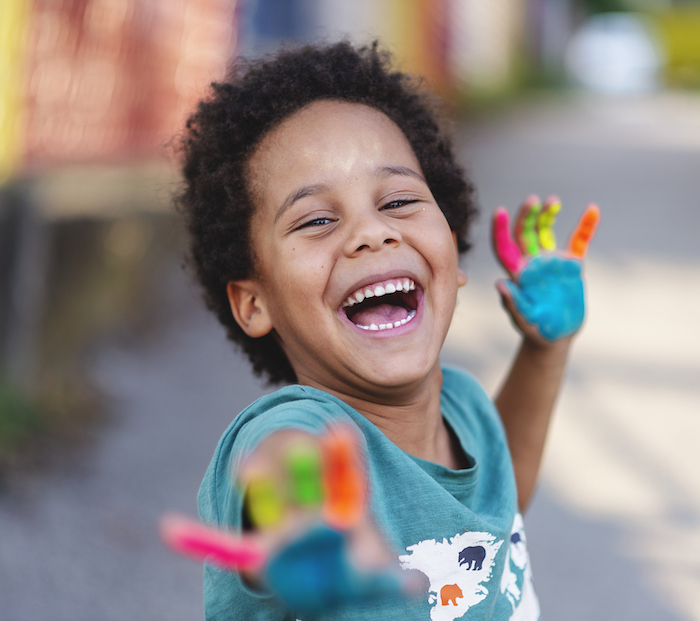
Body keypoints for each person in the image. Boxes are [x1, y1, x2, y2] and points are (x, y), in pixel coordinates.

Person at [174, 40, 599, 620]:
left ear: (450, 242)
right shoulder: (299, 427)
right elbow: (280, 459)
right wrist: (305, 526)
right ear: (253, 302)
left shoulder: (467, 407)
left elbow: (505, 497)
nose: (371, 233)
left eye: (398, 200)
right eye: (318, 219)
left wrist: (545, 350)